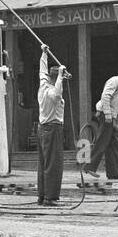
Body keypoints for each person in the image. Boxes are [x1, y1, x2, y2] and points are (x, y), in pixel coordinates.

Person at [35, 44, 66, 206]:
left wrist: (44, 54)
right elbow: (58, 93)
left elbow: (42, 71)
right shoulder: (52, 93)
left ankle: (42, 195)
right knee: (53, 164)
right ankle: (50, 197)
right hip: (53, 128)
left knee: (43, 163)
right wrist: (61, 75)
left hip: (42, 129)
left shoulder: (43, 86)